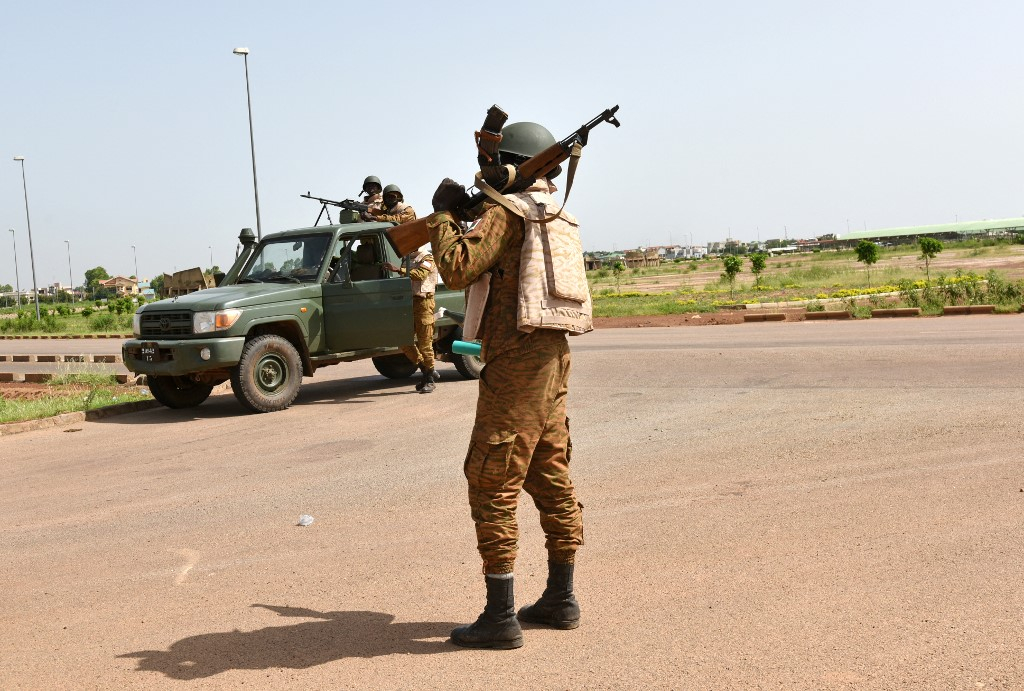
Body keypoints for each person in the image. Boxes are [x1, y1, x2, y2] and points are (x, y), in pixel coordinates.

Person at [427, 121, 591, 650]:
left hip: (515, 361)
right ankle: (561, 599)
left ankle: (500, 617)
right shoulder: (555, 212)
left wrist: (444, 216)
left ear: (512, 164)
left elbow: (457, 268)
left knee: (491, 479)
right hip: (551, 357)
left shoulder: (508, 211)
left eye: (494, 162)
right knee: (549, 473)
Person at [384, 245, 440, 393]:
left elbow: (420, 274)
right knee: (404, 341)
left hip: (424, 303)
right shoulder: (407, 259)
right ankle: (426, 370)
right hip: (409, 303)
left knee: (425, 344)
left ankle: (430, 380)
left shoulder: (427, 257)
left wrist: (398, 270)